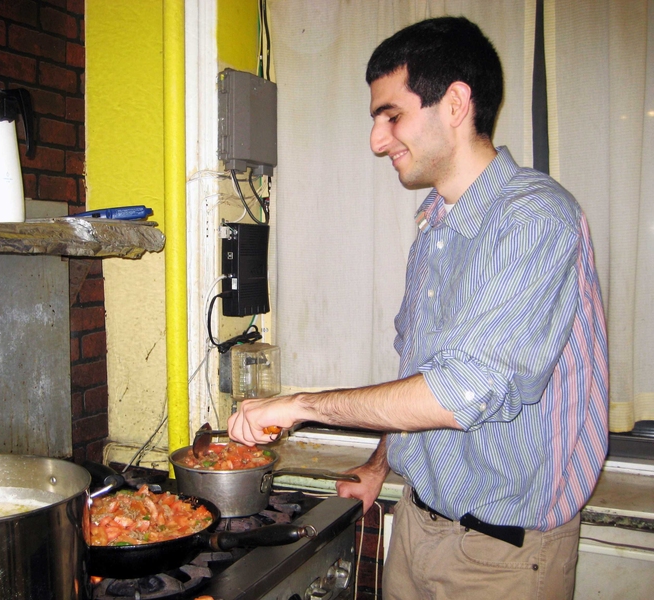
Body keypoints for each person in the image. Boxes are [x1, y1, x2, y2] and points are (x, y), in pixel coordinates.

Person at [227, 15, 608, 600]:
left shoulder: (535, 218)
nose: (377, 140)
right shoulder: (435, 225)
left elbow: (461, 393)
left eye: (391, 115)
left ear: (455, 104)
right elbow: (421, 377)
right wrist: (381, 464)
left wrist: (300, 405)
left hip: (503, 555)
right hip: (416, 523)